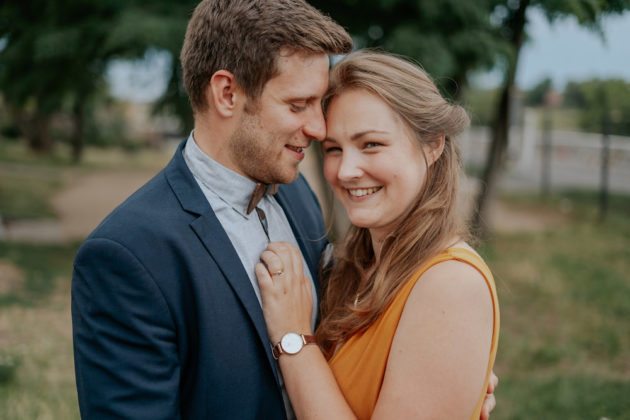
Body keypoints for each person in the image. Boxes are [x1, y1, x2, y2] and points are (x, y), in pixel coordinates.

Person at [71, 1, 352, 418]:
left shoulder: (297, 195)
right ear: (227, 93)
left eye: (320, 103)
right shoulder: (126, 255)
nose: (319, 128)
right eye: (297, 105)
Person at [255, 50, 500, 419]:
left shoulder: (451, 284)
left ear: (432, 144)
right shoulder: (351, 268)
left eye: (371, 144)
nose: (347, 170)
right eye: (334, 149)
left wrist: (293, 338)